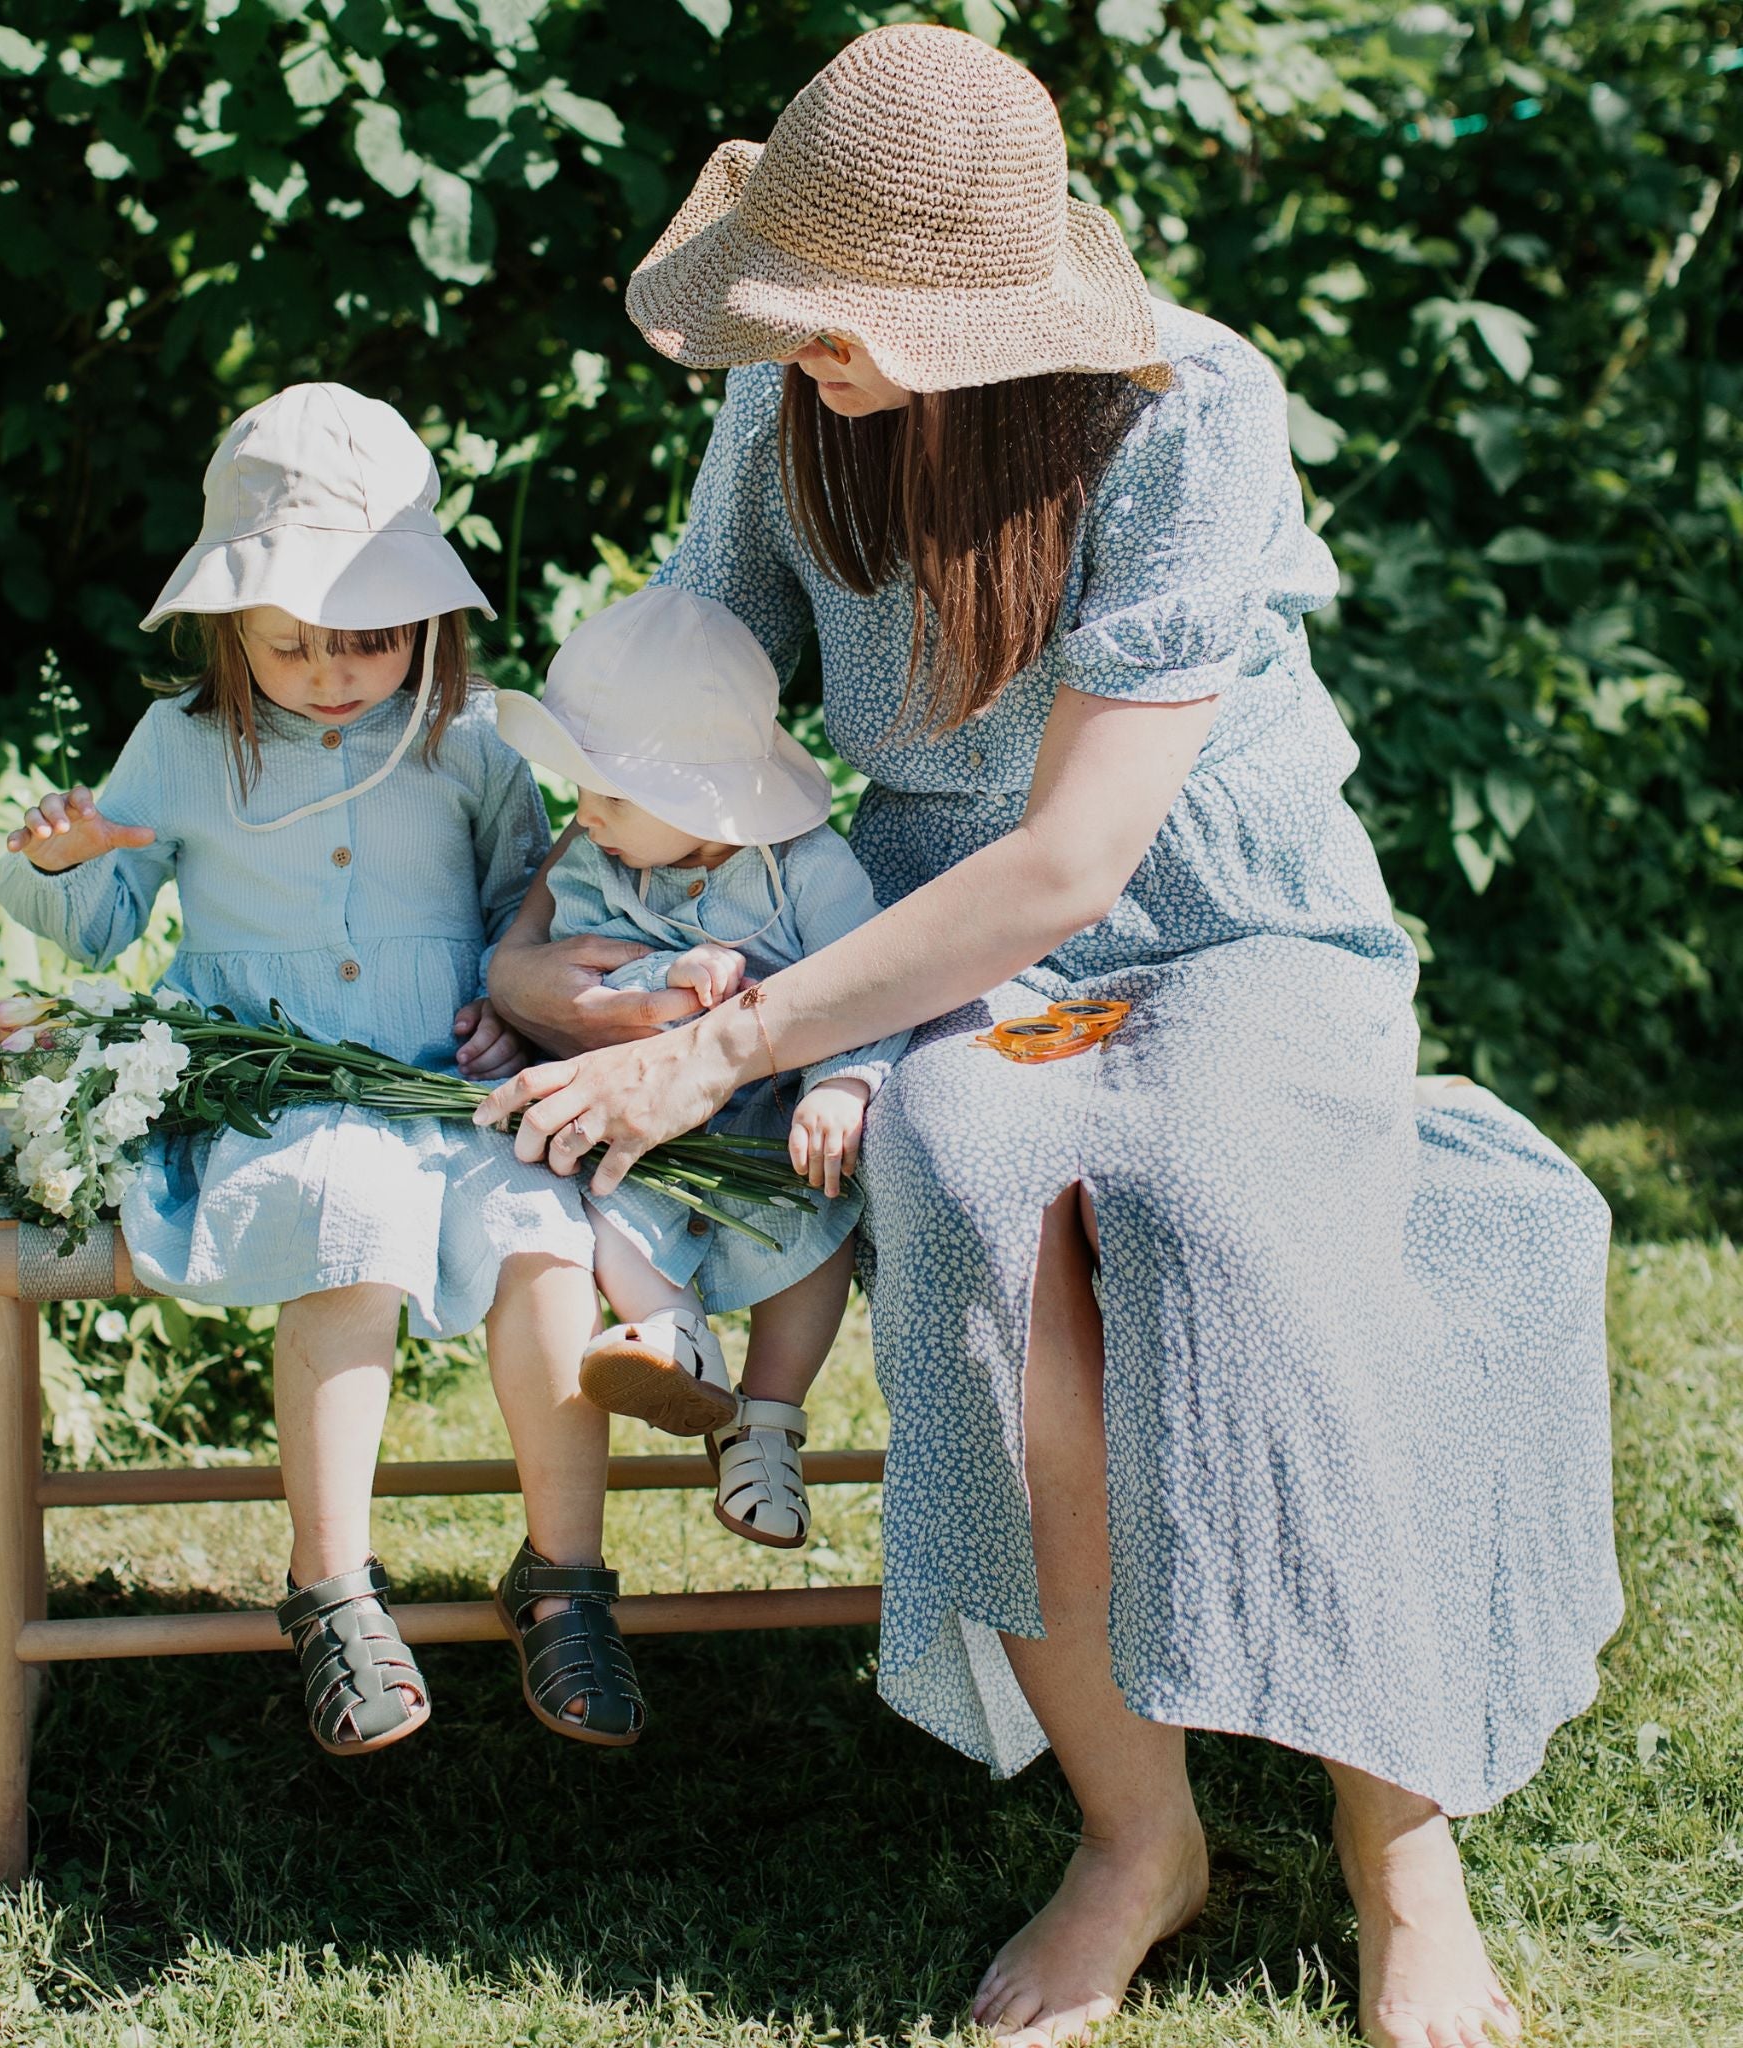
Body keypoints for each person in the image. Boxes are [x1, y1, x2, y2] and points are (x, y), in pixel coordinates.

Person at [476, 25, 1619, 2046]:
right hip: (934, 944)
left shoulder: (1188, 410)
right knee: (967, 1184)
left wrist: (716, 1059)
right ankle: (1133, 1832)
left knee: (1236, 1209)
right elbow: (691, 695)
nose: (800, 347)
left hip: (1219, 923)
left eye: (842, 318)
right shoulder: (784, 405)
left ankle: (1396, 1852)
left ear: (983, 303)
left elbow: (1077, 860)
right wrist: (561, 932)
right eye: (785, 305)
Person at [0, 382, 647, 1754]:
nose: (334, 670)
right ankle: (332, 1581)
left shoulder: (466, 747)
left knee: (544, 1242)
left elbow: (522, 914)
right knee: (346, 1225)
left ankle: (565, 1575)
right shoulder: (182, 747)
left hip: (446, 1092)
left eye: (368, 639)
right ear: (232, 627)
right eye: (294, 644)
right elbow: (105, 920)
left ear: (429, 621)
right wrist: (59, 865)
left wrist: (514, 1013)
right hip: (272, 1097)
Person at [493, 584, 906, 1547]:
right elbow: (577, 973)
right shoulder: (601, 866)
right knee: (601, 1199)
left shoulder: (808, 870)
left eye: (613, 796)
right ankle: (674, 1336)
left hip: (777, 1124)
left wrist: (844, 1082)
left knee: (821, 1222)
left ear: (704, 800)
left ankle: (767, 1422)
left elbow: (872, 979)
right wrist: (656, 971)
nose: (583, 817)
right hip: (644, 1120)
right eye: (581, 790)